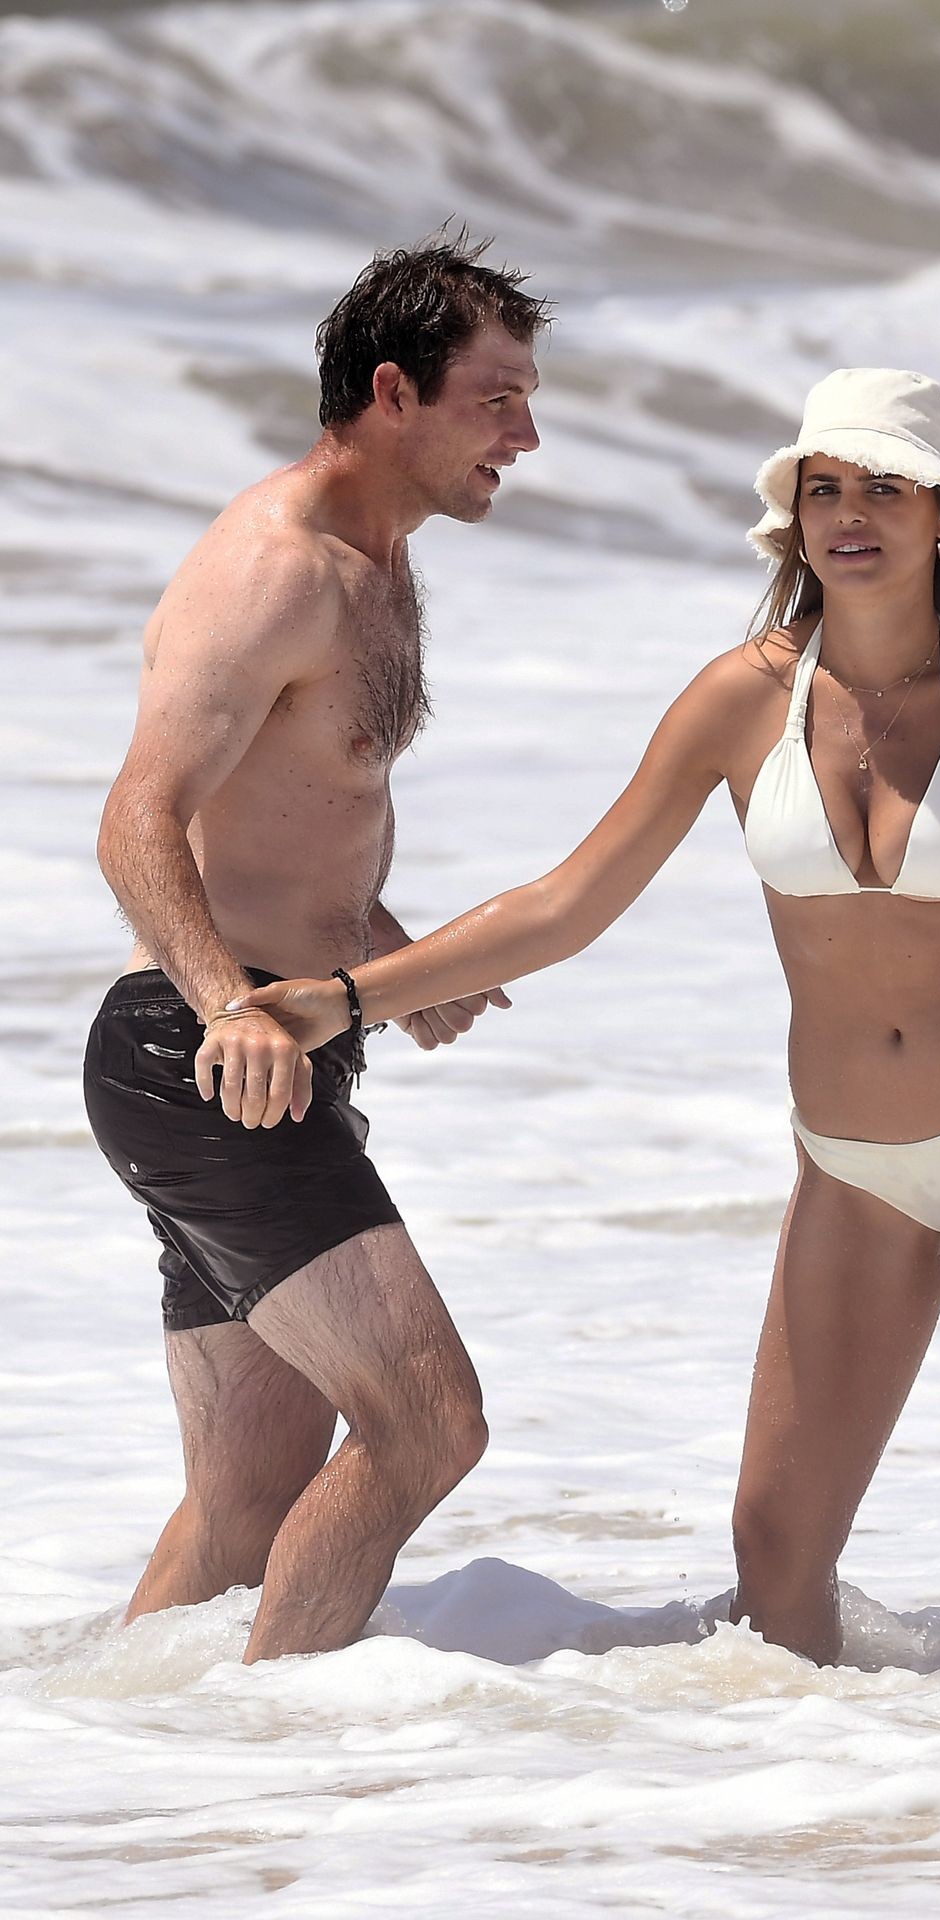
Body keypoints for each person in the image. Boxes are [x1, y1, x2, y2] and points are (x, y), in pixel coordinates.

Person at [230, 367, 940, 1668]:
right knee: (775, 1547)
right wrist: (347, 999)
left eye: (883, 488)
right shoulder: (742, 699)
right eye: (823, 488)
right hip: (855, 1159)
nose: (847, 514)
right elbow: (570, 901)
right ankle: (816, 1792)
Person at [85, 232, 548, 1662]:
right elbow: (136, 818)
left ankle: (124, 1748)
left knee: (245, 1505)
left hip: (271, 1052)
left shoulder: (379, 565)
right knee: (429, 1422)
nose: (525, 438)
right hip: (205, 1059)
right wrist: (231, 1007)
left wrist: (379, 955)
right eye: (497, 400)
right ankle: (278, 1746)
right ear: (394, 393)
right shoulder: (276, 567)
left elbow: (294, 805)